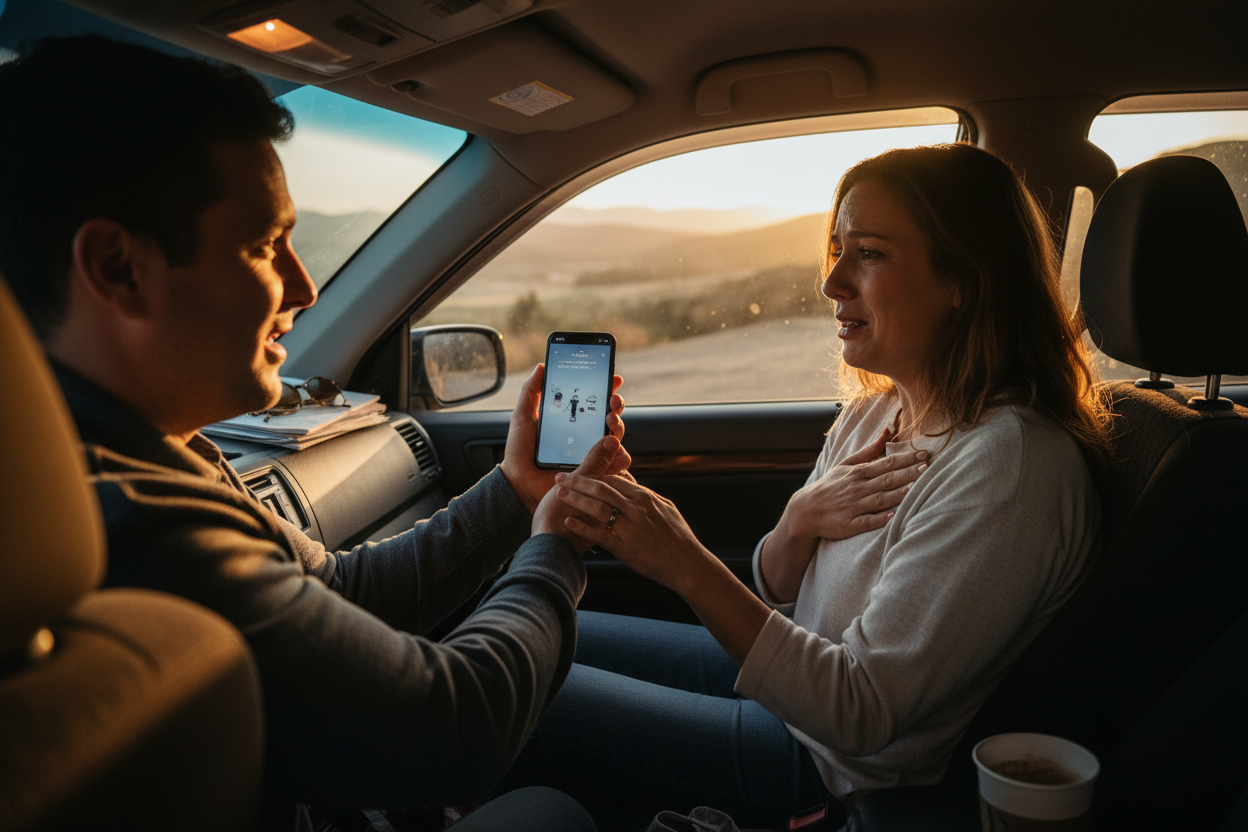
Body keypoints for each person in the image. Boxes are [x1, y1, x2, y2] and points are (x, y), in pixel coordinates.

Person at [0, 36, 628, 831]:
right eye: (264, 247)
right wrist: (556, 545)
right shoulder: (140, 524)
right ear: (119, 268)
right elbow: (454, 728)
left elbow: (341, 594)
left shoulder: (168, 454)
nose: (303, 286)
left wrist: (516, 494)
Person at [499, 143, 1110, 827]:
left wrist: (681, 558)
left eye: (871, 254)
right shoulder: (880, 410)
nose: (833, 282)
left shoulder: (1010, 468)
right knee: (538, 636)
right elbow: (774, 590)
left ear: (963, 279)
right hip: (788, 684)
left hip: (830, 765)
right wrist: (798, 520)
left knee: (505, 685)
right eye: (837, 248)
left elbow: (860, 712)